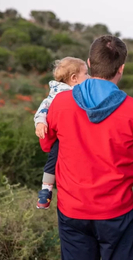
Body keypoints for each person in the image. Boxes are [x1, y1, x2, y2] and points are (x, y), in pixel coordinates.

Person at [39, 35, 133, 260]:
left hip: (72, 210)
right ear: (121, 69)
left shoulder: (60, 103)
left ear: (89, 63)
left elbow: (46, 144)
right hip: (117, 212)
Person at [34, 57, 89, 209]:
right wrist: (40, 122)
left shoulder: (80, 92)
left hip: (75, 135)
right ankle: (46, 189)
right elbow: (43, 108)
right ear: (74, 78)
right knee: (53, 157)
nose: (89, 77)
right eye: (86, 73)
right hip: (63, 137)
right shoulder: (58, 94)